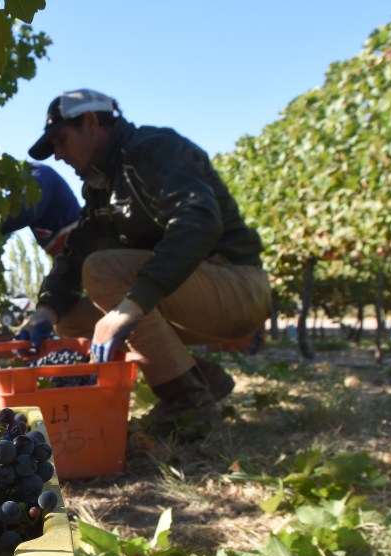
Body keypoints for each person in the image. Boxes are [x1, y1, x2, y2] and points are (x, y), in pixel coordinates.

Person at [16, 89, 271, 430]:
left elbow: (198, 221)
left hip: (237, 285)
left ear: (91, 122)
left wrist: (130, 307)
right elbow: (76, 252)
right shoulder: (101, 188)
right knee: (72, 322)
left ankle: (188, 403)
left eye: (61, 141)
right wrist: (44, 311)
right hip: (189, 294)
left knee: (102, 269)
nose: (58, 156)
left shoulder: (152, 150)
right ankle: (200, 379)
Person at [1, 162, 82, 257]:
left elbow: (27, 212)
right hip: (66, 255)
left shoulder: (40, 173)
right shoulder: (25, 184)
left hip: (80, 246)